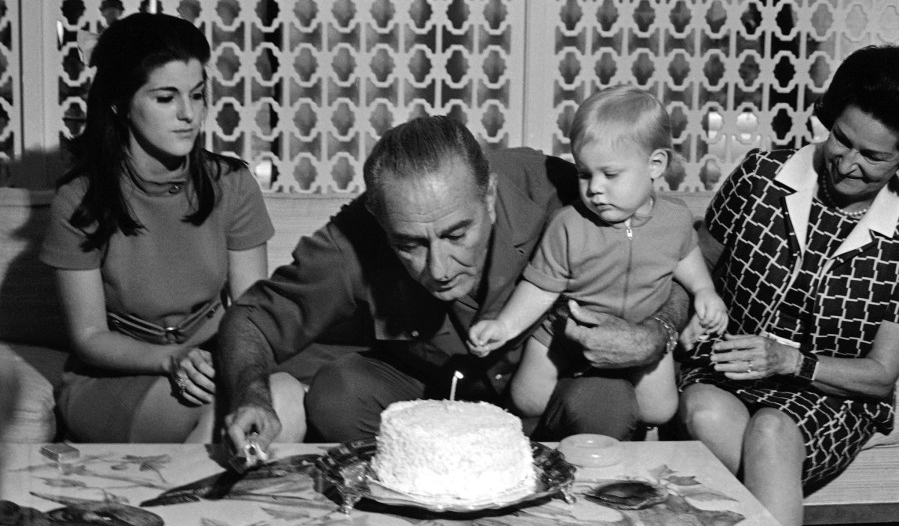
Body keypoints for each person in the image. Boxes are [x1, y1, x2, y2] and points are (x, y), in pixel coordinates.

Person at [219, 116, 690, 452]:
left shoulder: (559, 189)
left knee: (605, 400)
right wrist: (251, 395)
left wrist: (658, 330)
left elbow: (679, 258)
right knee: (338, 393)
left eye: (456, 234)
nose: (439, 268)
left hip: (547, 398)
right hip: (430, 407)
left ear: (489, 196)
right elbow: (252, 320)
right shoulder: (353, 237)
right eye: (410, 244)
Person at [39, 12, 296, 443]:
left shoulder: (232, 184)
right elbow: (89, 336)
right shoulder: (79, 198)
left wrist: (230, 367)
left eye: (197, 95)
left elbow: (250, 313)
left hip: (214, 362)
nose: (188, 114)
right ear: (120, 102)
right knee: (223, 413)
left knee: (285, 396)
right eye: (165, 98)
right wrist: (172, 358)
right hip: (119, 377)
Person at [678, 45, 899, 526]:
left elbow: (882, 374)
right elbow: (695, 266)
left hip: (832, 392)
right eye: (841, 139)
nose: (847, 163)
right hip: (725, 367)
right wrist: (685, 316)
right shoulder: (760, 176)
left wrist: (790, 360)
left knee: (772, 431)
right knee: (703, 410)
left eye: (873, 156)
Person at [468, 86, 726, 427]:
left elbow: (685, 257)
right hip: (564, 335)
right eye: (585, 174)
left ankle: (614, 404)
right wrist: (505, 325)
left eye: (610, 174)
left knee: (660, 411)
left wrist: (704, 291)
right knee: (527, 400)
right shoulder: (568, 225)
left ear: (655, 165)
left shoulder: (675, 218)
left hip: (639, 332)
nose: (594, 188)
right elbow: (540, 287)